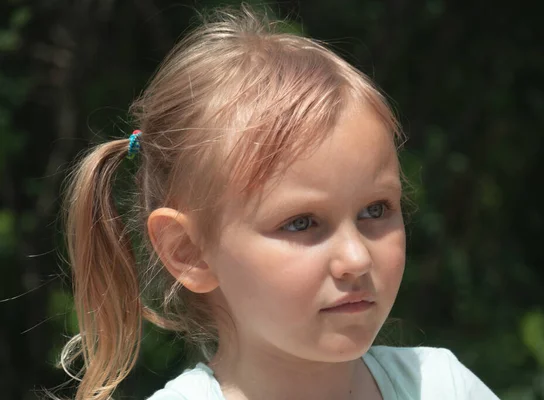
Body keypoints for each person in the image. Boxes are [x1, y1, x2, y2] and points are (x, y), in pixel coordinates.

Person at [60, 5, 499, 400]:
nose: (356, 258)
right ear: (188, 251)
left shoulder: (442, 385)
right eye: (301, 223)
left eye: (375, 210)